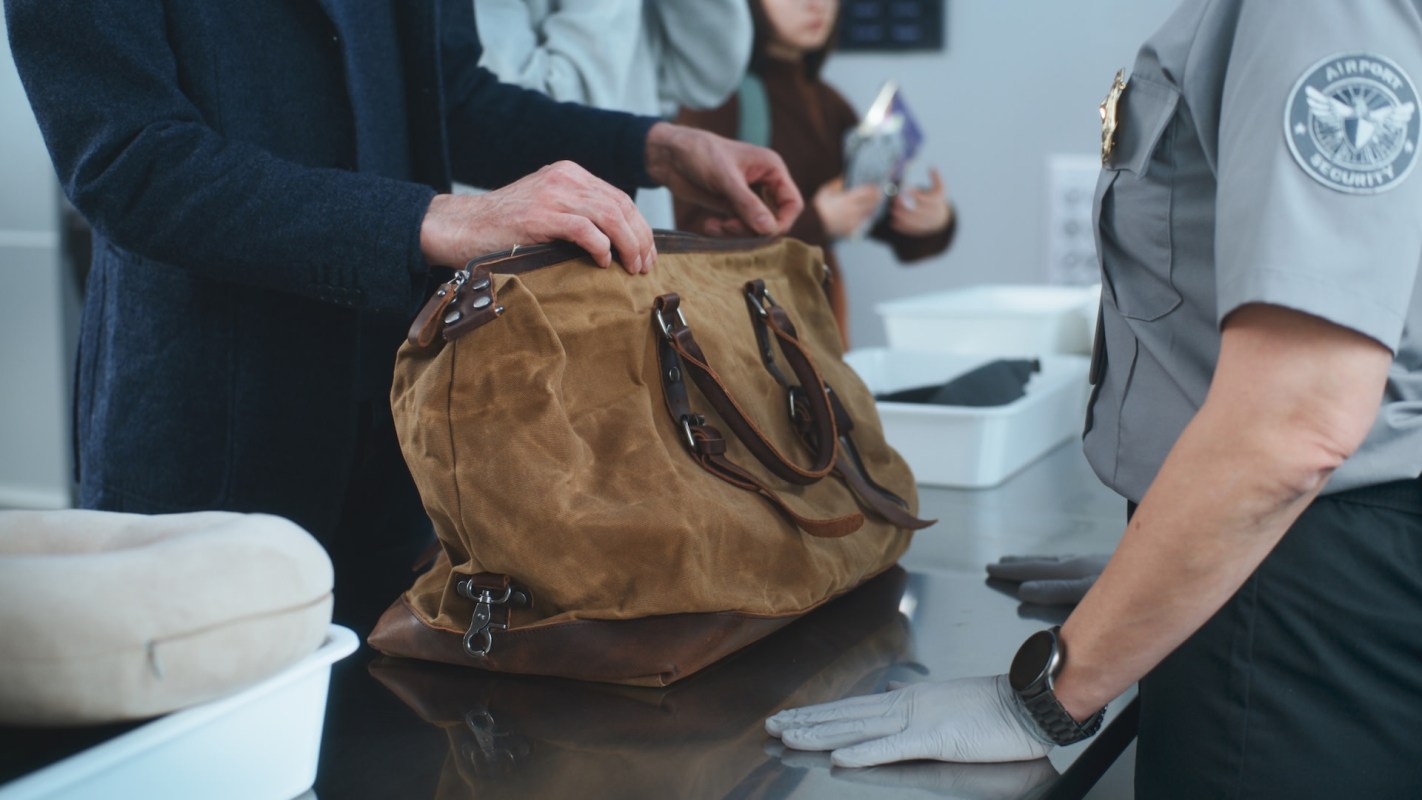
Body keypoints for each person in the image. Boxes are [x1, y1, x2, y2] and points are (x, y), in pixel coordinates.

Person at [765, 1, 1422, 796]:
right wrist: (1159, 573)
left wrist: (1041, 699)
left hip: (1296, 600)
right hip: (1272, 556)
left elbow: (1300, 418)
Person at [4, 0, 801, 632]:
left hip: (402, 428)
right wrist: (429, 219)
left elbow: (448, 98)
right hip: (210, 430)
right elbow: (130, 164)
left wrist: (656, 150)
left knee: (385, 751)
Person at [674, 0, 955, 345]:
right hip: (746, 342)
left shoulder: (827, 101)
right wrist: (818, 222)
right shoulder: (716, 98)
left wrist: (930, 220)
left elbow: (870, 213)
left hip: (818, 334)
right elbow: (686, 236)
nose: (816, 4)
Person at [474, 0, 753, 229]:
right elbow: (524, 126)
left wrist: (666, 147)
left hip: (639, 241)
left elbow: (708, 77)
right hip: (529, 264)